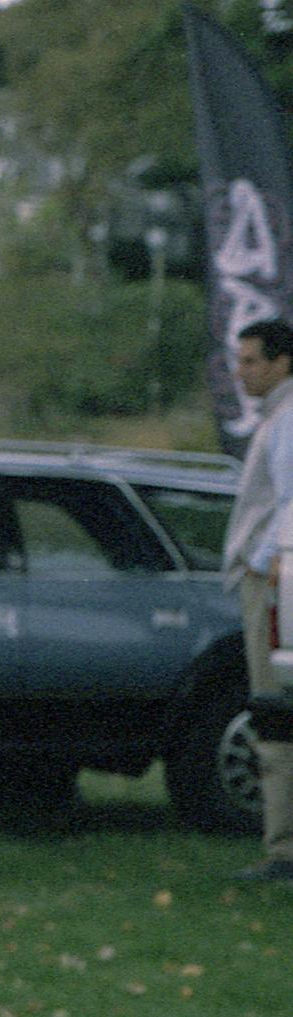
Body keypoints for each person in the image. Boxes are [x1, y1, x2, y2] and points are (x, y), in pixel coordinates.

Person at [220, 318, 293, 881]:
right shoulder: (277, 418)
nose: (240, 371)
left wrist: (263, 560)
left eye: (250, 361)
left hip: (273, 582)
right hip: (274, 576)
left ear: (281, 362)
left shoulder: (288, 420)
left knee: (273, 712)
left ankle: (283, 848)